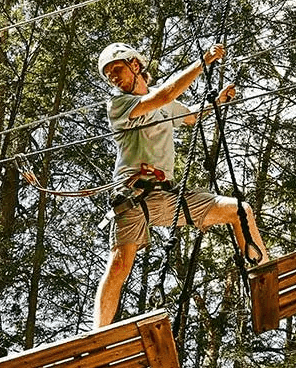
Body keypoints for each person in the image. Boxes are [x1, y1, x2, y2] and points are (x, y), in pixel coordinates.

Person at [93, 42, 268, 330]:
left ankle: (263, 277)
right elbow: (166, 95)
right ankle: (98, 334)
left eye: (117, 68)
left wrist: (218, 101)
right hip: (133, 195)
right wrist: (202, 62)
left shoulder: (164, 104)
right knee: (121, 262)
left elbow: (190, 116)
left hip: (167, 195)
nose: (112, 76)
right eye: (108, 73)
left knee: (241, 210)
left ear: (135, 65)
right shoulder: (119, 105)